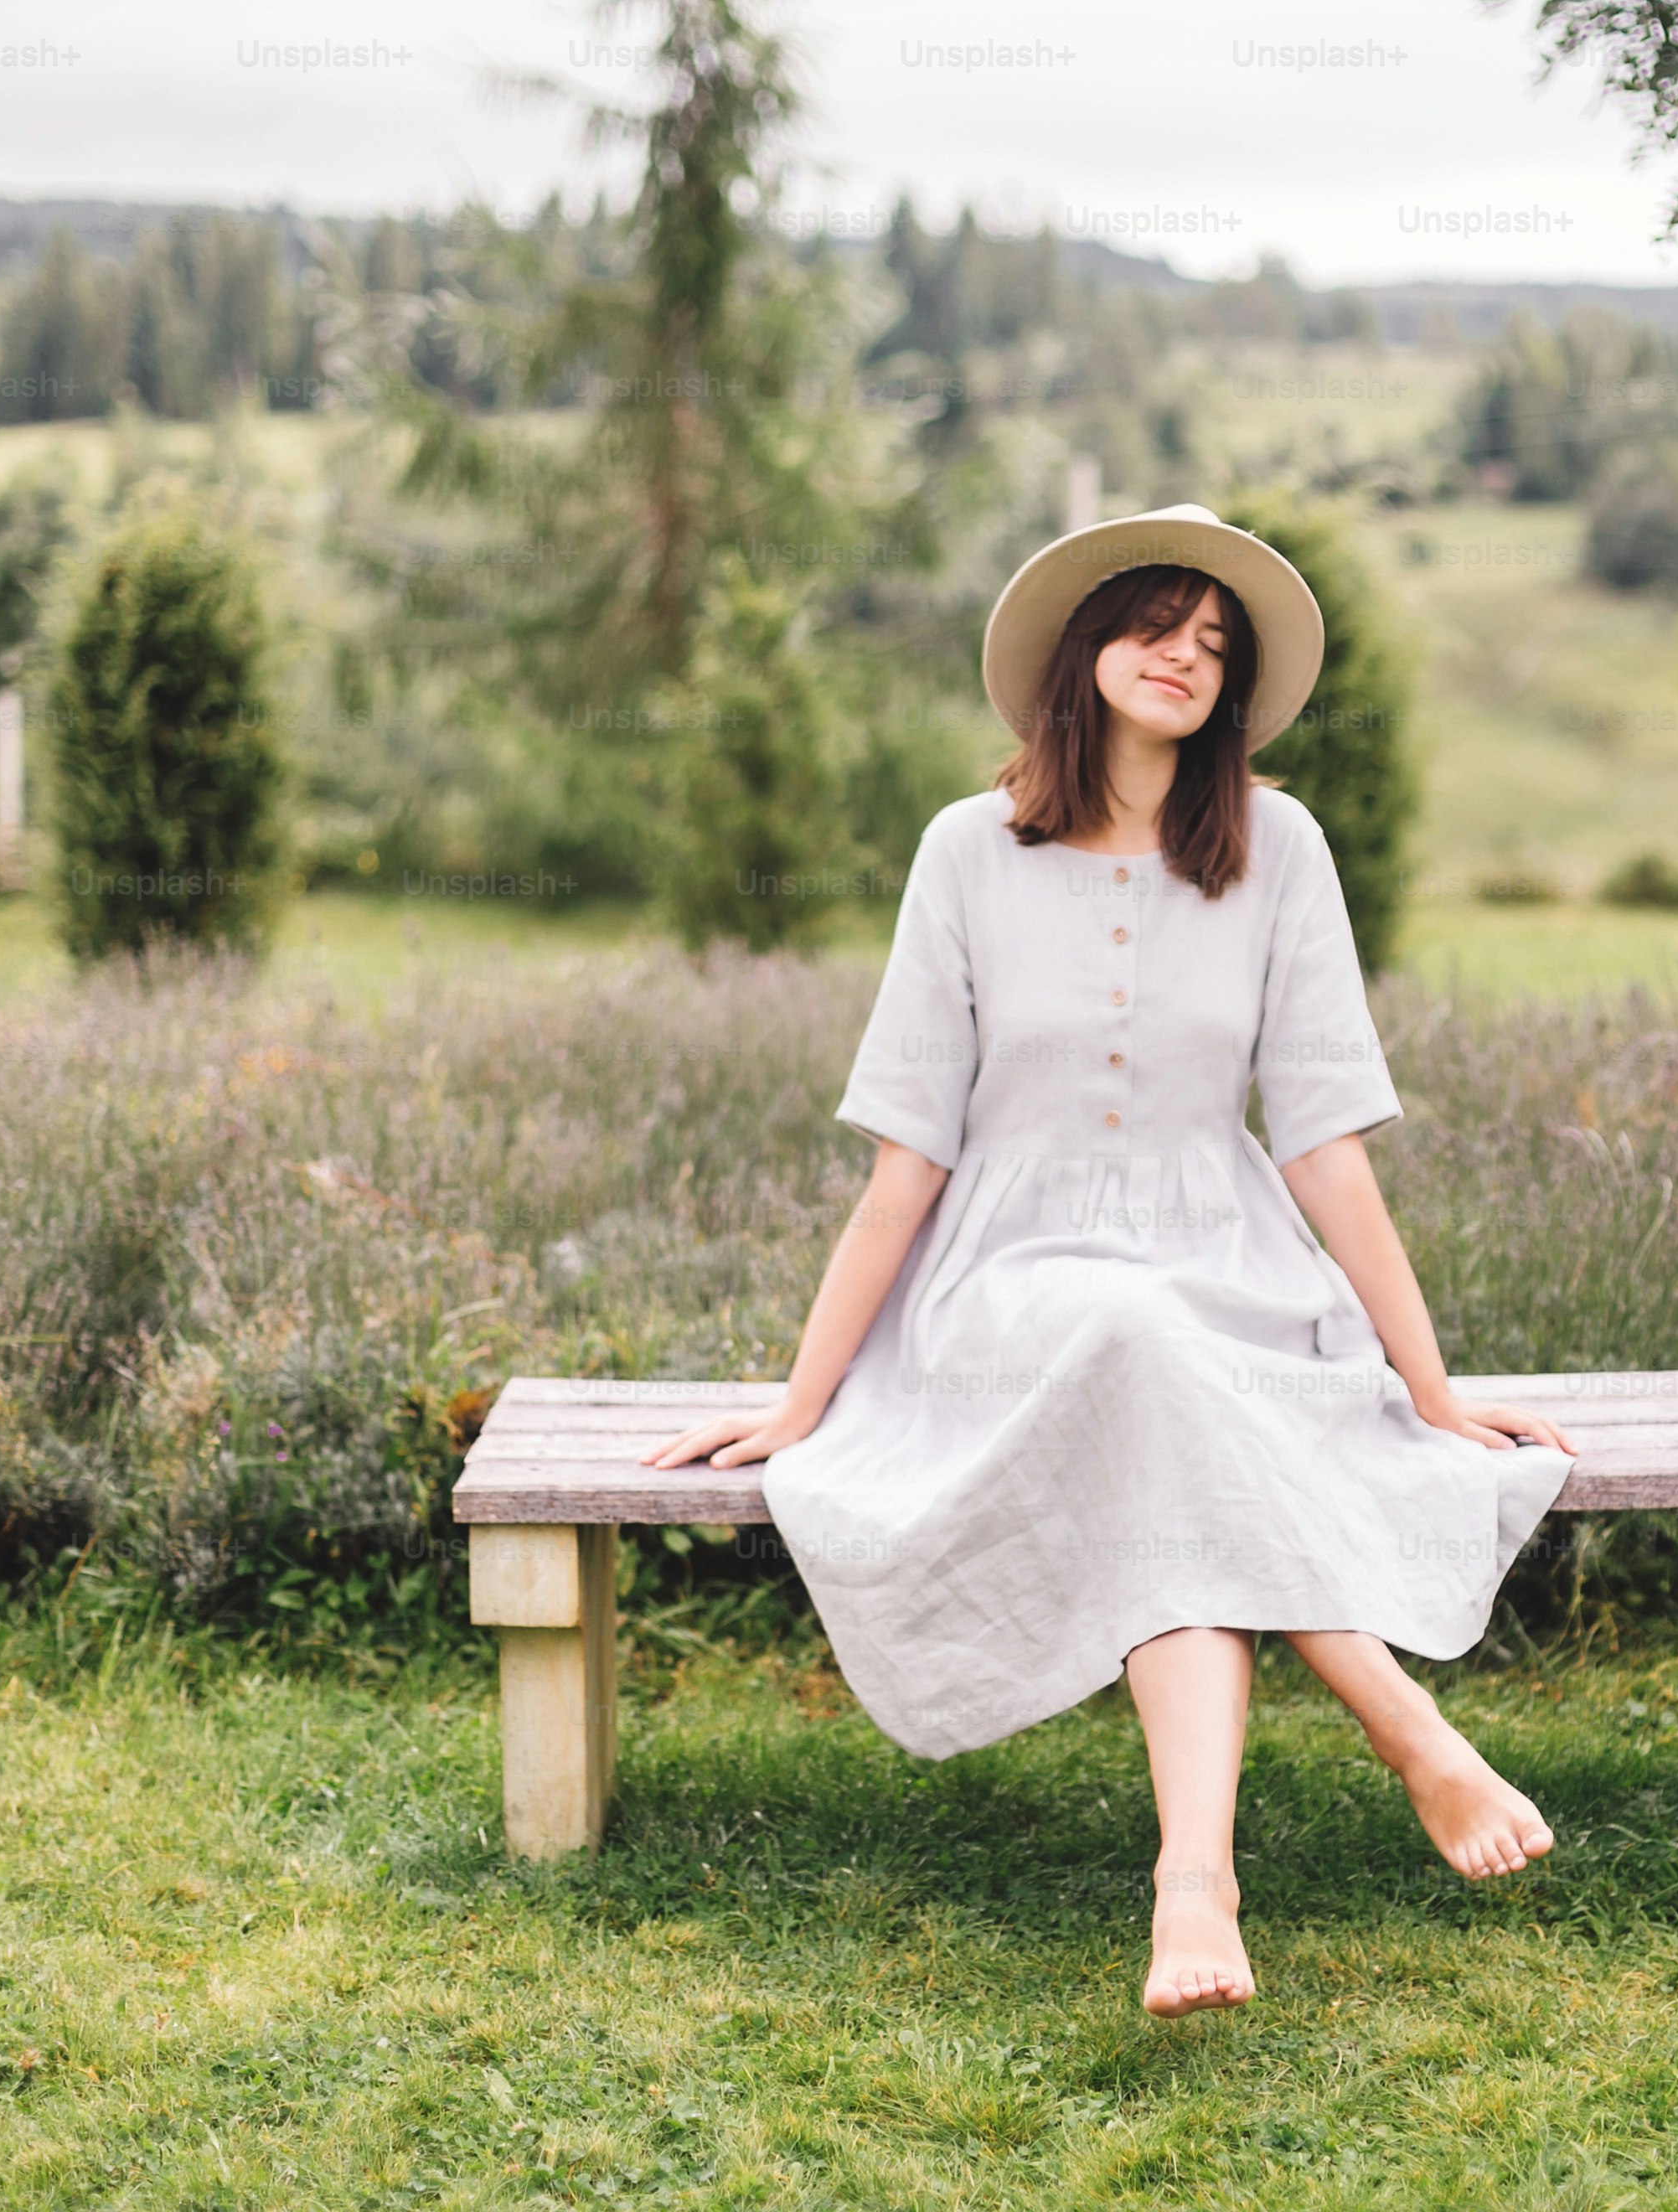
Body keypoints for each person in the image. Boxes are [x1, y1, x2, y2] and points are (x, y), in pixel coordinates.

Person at [650, 504, 1575, 2017]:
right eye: (1157, 623)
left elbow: (1325, 1148)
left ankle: (1198, 1882)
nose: (1184, 656)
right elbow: (908, 1164)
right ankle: (1403, 1734)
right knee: (1136, 1343)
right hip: (1008, 1285)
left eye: (1214, 643)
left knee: (1162, 1387)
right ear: (1087, 647)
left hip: (1234, 1280)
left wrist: (1432, 1389)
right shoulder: (967, 851)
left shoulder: (1281, 849)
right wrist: (804, 1402)